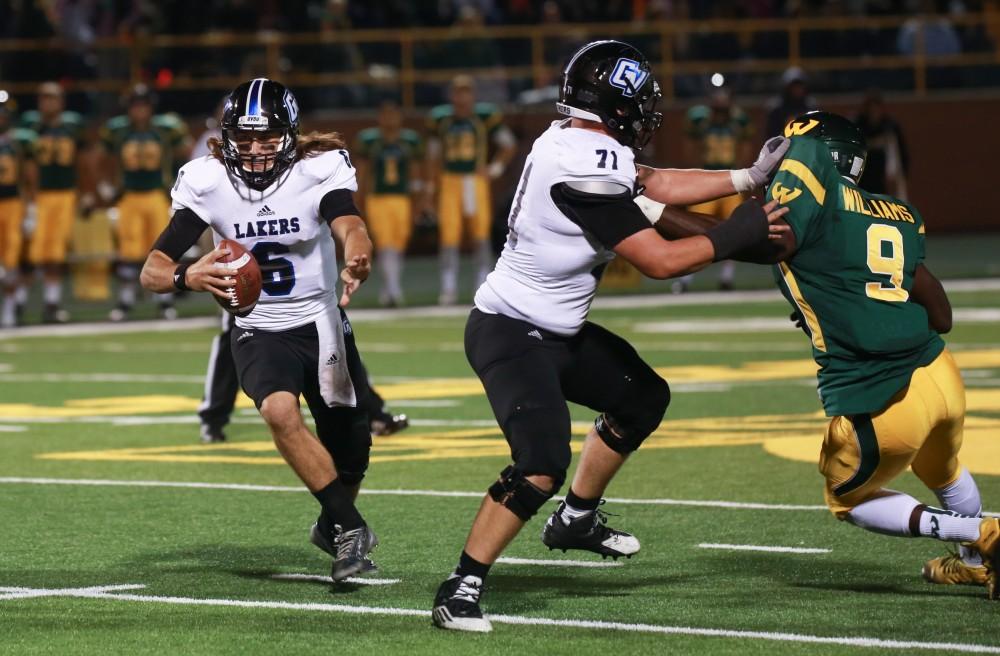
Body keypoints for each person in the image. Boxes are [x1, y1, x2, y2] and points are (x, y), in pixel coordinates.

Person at [430, 40, 791, 632]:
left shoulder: (579, 142)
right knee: (540, 463)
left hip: (556, 332)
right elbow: (660, 262)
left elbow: (652, 179)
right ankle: (461, 586)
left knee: (642, 396)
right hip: (511, 332)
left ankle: (576, 518)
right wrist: (737, 232)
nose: (647, 115)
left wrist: (743, 177)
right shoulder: (584, 165)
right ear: (615, 104)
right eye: (641, 103)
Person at [680, 111, 999, 598]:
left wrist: (654, 212)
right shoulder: (896, 211)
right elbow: (941, 313)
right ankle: (976, 566)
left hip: (887, 397)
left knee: (847, 498)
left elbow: (754, 240)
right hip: (941, 374)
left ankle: (979, 532)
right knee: (946, 470)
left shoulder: (815, 207)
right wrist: (851, 306)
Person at [140, 78, 379, 582]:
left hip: (321, 321)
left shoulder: (318, 169)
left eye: (266, 138)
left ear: (289, 135)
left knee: (351, 447)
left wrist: (357, 253)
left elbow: (348, 221)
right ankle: (352, 528)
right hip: (259, 325)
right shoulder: (207, 180)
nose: (253, 150)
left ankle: (333, 520)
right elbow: (152, 269)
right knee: (277, 410)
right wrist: (188, 276)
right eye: (243, 139)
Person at [197, 310, 409, 443]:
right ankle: (212, 417)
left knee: (332, 339)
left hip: (298, 282)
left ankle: (373, 413)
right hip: (249, 274)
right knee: (234, 337)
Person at [102, 84, 191, 321]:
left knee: (163, 250)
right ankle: (126, 300)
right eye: (135, 106)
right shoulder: (118, 131)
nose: (140, 111)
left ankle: (164, 301)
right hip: (129, 195)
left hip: (156, 195)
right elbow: (104, 157)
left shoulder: (165, 129)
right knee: (129, 251)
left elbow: (185, 150)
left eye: (144, 106)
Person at [426, 75, 516, 305]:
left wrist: (494, 169)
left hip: (474, 181)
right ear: (451, 95)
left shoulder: (483, 117)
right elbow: (433, 156)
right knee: (449, 236)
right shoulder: (442, 119)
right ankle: (448, 288)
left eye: (466, 92)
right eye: (457, 92)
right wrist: (430, 186)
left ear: (473, 95)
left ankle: (482, 285)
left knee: (480, 235)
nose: (462, 97)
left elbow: (508, 144)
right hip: (449, 181)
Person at [19, 82, 88, 323]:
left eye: (53, 98)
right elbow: (25, 165)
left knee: (56, 252)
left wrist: (84, 191)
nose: (48, 103)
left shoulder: (72, 125)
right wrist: (28, 198)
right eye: (44, 98)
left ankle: (50, 302)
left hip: (64, 194)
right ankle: (18, 302)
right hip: (38, 196)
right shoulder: (30, 126)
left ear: (61, 101)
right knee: (29, 251)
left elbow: (81, 160)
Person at [674, 87, 754, 292]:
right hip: (707, 181)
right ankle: (686, 279)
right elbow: (689, 147)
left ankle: (726, 278)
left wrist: (743, 176)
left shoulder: (739, 120)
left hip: (731, 180)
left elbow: (746, 148)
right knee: (692, 230)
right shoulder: (700, 118)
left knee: (736, 230)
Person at [354, 100, 424, 307]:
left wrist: (419, 198)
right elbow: (363, 172)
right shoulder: (370, 140)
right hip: (378, 198)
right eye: (385, 114)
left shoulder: (408, 141)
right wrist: (358, 198)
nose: (389, 119)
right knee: (385, 245)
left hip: (402, 198)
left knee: (399, 244)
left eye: (393, 114)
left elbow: (415, 171)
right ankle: (393, 290)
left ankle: (390, 287)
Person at [0, 99, 37, 329]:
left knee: (11, 260)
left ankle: (9, 308)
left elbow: (29, 177)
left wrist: (30, 208)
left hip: (12, 204)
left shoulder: (19, 142)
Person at [854, 90, 909, 198]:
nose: (874, 111)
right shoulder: (859, 125)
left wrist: (902, 175)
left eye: (876, 107)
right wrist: (874, 143)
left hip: (883, 180)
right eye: (870, 108)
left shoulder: (890, 127)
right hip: (864, 179)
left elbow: (901, 155)